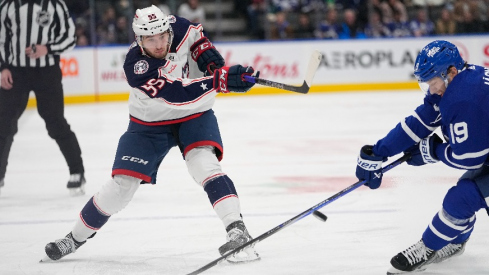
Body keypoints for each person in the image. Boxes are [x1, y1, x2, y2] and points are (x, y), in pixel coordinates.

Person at [43, 5, 260, 263]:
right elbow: (176, 94)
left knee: (204, 164)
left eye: (163, 37)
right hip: (149, 123)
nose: (159, 44)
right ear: (139, 39)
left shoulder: (180, 28)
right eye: (150, 40)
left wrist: (216, 66)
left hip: (195, 115)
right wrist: (218, 81)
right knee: (121, 187)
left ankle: (237, 230)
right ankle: (74, 238)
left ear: (169, 30)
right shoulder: (136, 65)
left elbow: (201, 45)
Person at [355, 40, 489, 274]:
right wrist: (379, 151)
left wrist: (434, 151)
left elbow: (470, 159)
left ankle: (427, 248)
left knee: (462, 197)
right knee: (467, 188)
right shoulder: (459, 81)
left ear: (451, 72)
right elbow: (420, 122)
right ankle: (455, 242)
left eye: (433, 82)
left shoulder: (464, 97)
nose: (432, 89)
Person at [0, 0, 85, 196]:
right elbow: (2, 39)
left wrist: (48, 48)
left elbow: (69, 37)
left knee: (55, 122)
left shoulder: (55, 4)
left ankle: (77, 171)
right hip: (15, 71)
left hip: (46, 71)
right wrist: (3, 66)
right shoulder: (7, 5)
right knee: (3, 123)